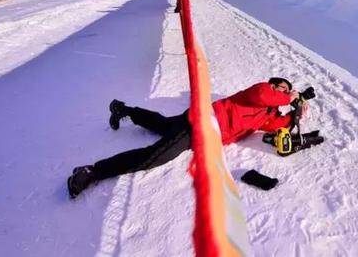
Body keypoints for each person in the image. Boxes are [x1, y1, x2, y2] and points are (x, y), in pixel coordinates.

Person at [67, 78, 306, 198]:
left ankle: (124, 110)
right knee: (154, 156)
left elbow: (279, 124)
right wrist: (288, 97)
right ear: (273, 84)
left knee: (161, 123)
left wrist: (297, 114)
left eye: (287, 90)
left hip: (200, 130)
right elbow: (265, 95)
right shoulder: (257, 92)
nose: (283, 91)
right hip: (198, 124)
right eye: (281, 87)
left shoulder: (267, 114)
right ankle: (92, 171)